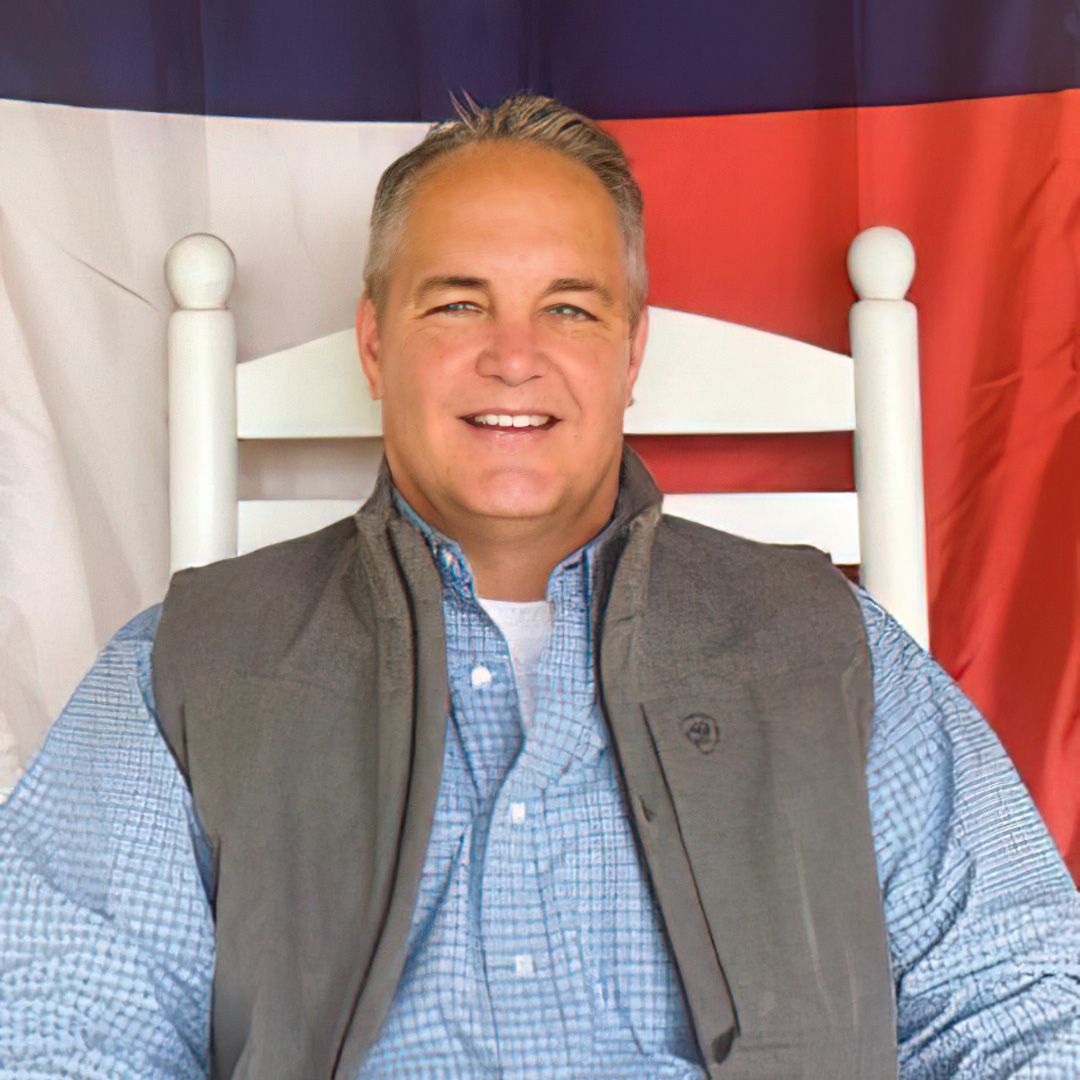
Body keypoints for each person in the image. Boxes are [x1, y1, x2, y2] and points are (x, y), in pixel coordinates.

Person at [1, 93, 1078, 1080]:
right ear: (376, 344)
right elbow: (60, 1033)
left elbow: (1025, 1003)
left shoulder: (827, 649)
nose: (514, 357)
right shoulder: (188, 670)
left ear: (631, 349)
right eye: (459, 305)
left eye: (568, 309)